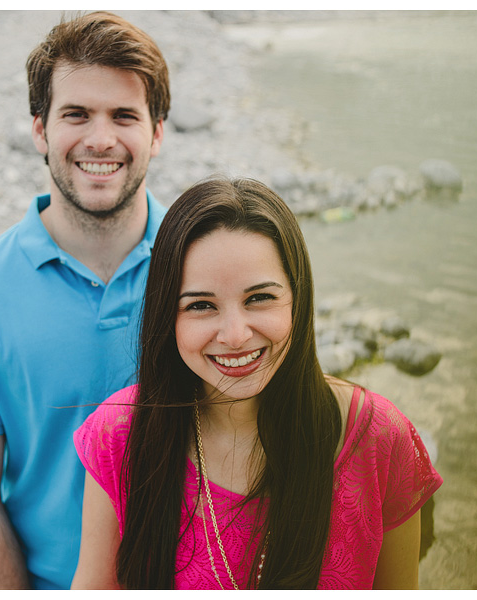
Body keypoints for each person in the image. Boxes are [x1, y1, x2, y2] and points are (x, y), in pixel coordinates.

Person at [71, 177, 443, 589]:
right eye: (200, 305)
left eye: (259, 298)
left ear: (298, 298)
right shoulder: (120, 434)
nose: (235, 335)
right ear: (167, 316)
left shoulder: (380, 439)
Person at [0, 12, 170, 589]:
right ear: (40, 129)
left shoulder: (207, 275)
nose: (100, 139)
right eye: (76, 114)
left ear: (157, 133)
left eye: (124, 115)